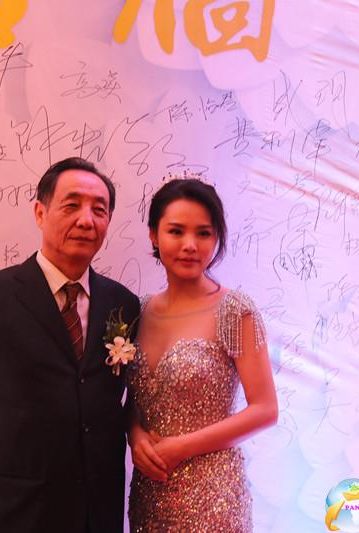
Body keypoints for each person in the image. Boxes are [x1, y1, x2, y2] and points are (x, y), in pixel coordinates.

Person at [0, 157, 140, 533]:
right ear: (40, 213)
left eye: (99, 210)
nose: (86, 220)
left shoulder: (123, 304)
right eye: (72, 205)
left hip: (95, 513)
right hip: (9, 513)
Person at [126, 177, 278, 532]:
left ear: (217, 238)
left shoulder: (235, 310)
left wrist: (181, 447)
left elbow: (265, 409)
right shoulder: (138, 310)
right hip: (150, 489)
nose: (190, 245)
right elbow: (131, 397)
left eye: (204, 233)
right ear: (154, 235)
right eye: (176, 231)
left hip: (213, 495)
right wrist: (135, 434)